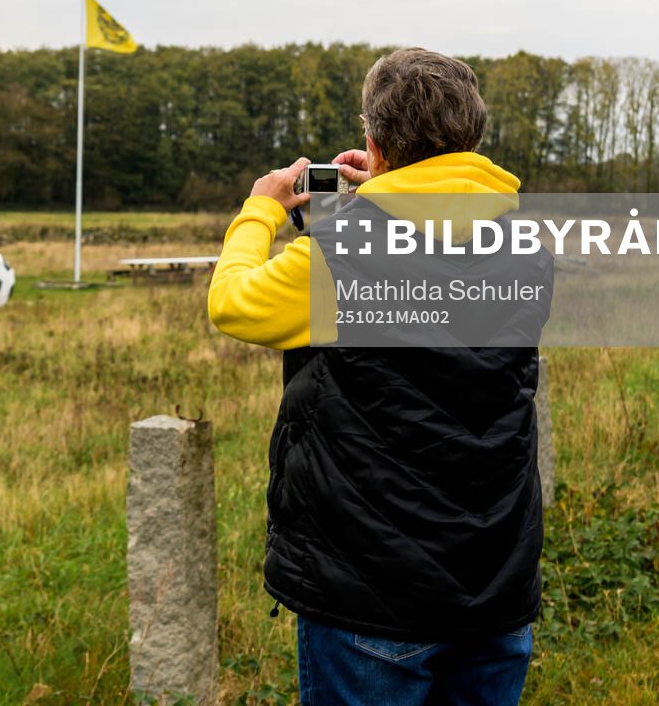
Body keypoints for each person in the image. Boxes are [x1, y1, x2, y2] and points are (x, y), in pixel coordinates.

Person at [208, 48, 547, 706]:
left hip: (371, 600)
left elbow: (232, 303)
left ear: (373, 142)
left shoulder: (344, 257)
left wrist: (261, 209)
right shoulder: (526, 246)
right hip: (496, 585)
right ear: (473, 138)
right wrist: (386, 191)